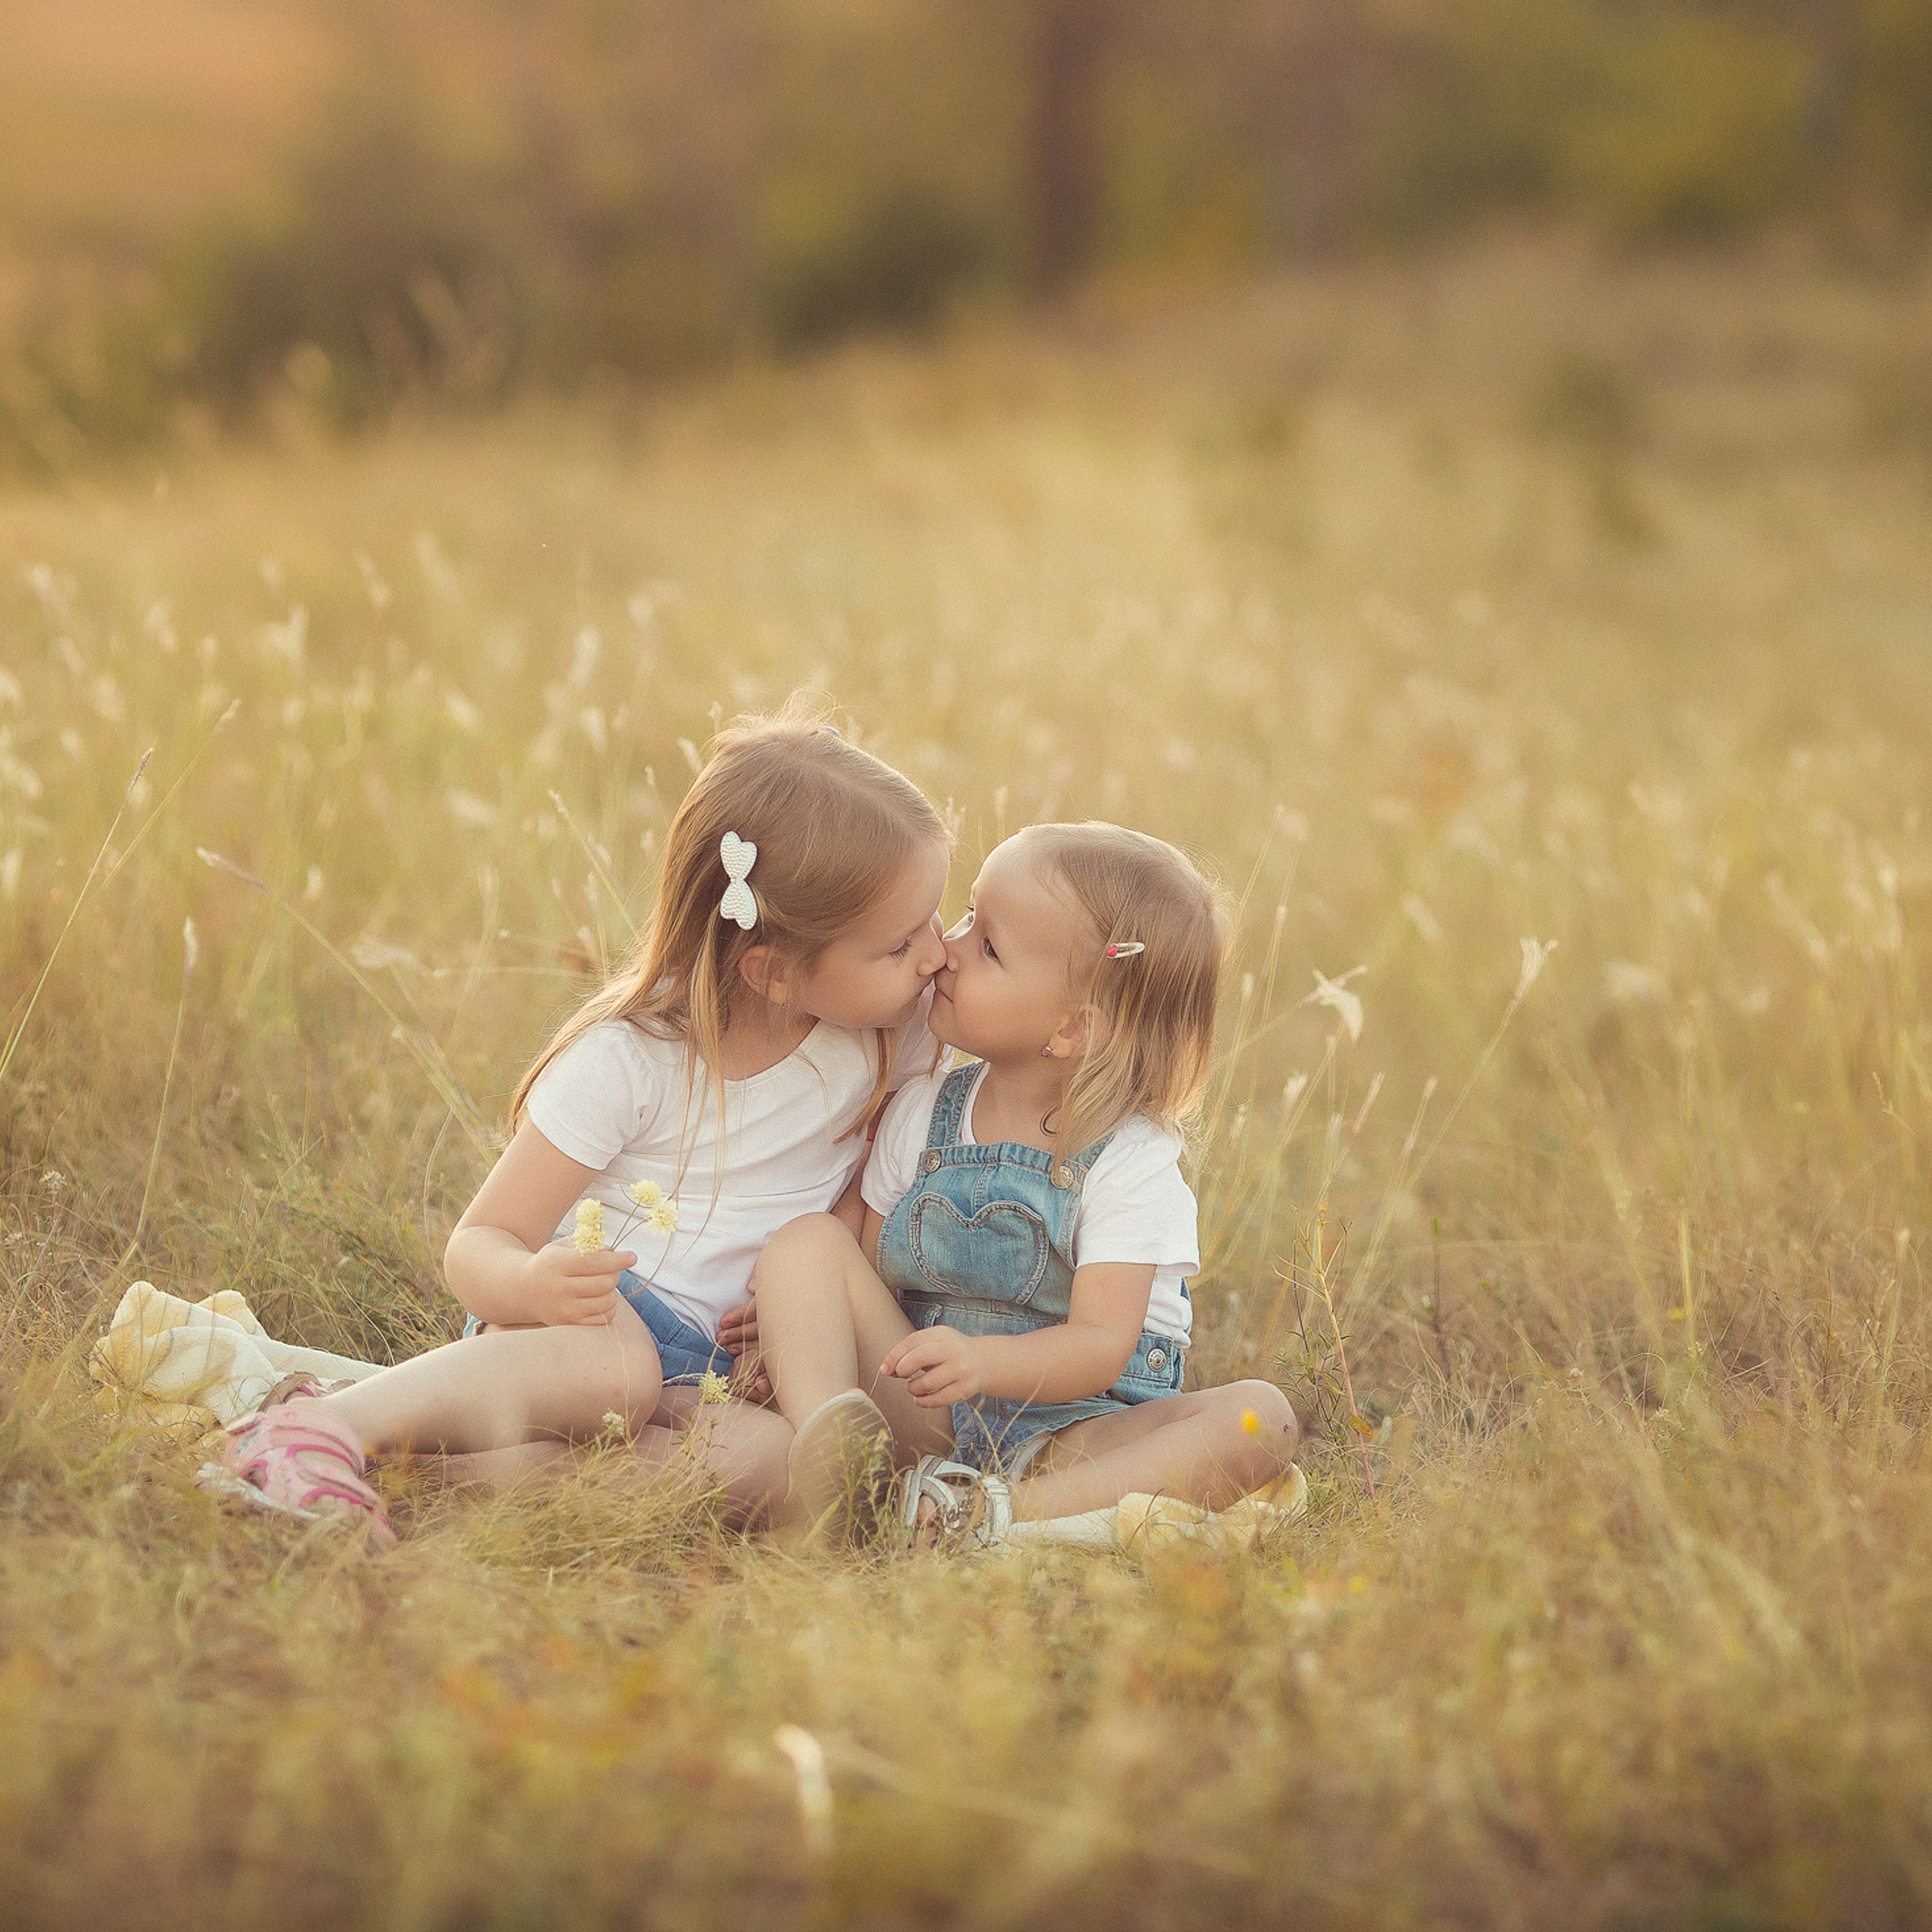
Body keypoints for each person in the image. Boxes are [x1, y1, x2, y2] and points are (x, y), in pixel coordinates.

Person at [202, 703, 951, 1544]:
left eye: (936, 917)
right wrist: (531, 1284)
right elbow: (479, 1241)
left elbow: (851, 1203)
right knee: (619, 1373)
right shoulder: (631, 1061)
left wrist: (790, 1328)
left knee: (773, 1464)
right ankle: (323, 1431)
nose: (937, 953)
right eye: (900, 942)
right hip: (581, 1327)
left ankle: (417, 1470)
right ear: (772, 971)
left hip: (713, 1374)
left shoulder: (887, 1027)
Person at [749, 820, 1300, 1546]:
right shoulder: (923, 1110)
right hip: (928, 1417)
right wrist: (795, 1327)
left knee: (1261, 1418)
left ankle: (992, 1520)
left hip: (1074, 1436)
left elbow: (1102, 1342)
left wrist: (982, 1361)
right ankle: (831, 1460)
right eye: (970, 916)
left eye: (988, 946)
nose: (946, 949)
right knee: (809, 1241)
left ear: (1072, 1029)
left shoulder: (1129, 1161)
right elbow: (865, 1265)